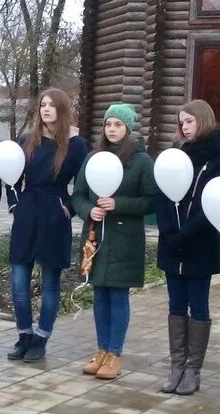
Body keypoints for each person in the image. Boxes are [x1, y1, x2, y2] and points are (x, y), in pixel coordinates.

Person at [155, 99, 220, 395]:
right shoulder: (175, 154)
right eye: (181, 122)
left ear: (203, 120)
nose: (185, 127)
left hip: (199, 242)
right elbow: (161, 194)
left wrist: (186, 233)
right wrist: (167, 230)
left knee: (198, 303)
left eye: (189, 121)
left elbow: (214, 199)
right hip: (171, 242)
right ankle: (176, 366)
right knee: (175, 304)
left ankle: (193, 371)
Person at [71, 104, 156, 379]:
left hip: (125, 238)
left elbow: (151, 201)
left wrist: (118, 204)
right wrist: (88, 211)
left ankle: (115, 354)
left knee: (118, 295)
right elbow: (79, 194)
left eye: (118, 125)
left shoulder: (142, 161)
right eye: (109, 124)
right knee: (99, 295)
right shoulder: (93, 158)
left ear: (128, 128)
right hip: (96, 237)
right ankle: (102, 351)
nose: (112, 129)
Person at [5, 88, 88, 362]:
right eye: (43, 105)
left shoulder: (75, 144)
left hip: (55, 214)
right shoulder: (28, 140)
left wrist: (69, 208)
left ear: (61, 110)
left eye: (52, 105)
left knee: (50, 283)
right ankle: (24, 336)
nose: (46, 109)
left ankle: (41, 338)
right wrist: (15, 204)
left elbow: (84, 185)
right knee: (19, 282)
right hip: (27, 212)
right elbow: (12, 178)